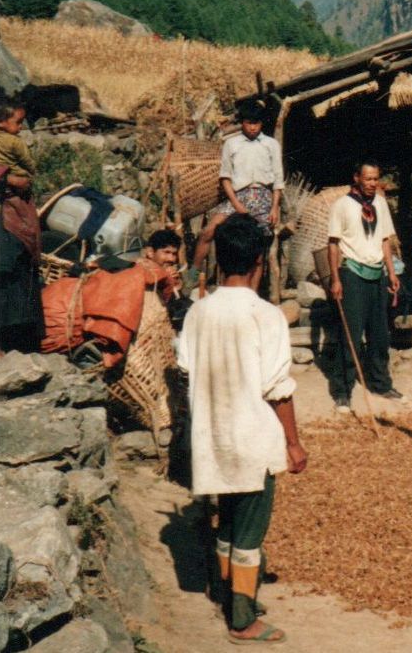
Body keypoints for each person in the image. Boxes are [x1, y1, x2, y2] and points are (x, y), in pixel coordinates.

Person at [177, 213, 307, 645]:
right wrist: (293, 443)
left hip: (213, 436)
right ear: (260, 261)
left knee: (227, 522)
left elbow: (184, 369)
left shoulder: (198, 313)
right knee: (249, 533)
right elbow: (278, 390)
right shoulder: (266, 315)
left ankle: (226, 591)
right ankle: (242, 619)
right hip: (252, 438)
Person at [326, 160, 402, 412]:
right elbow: (333, 243)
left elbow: (384, 240)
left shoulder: (380, 203)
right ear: (357, 177)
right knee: (351, 334)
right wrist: (335, 278)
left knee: (380, 333)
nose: (372, 184)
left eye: (376, 179)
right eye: (368, 179)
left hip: (376, 273)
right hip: (352, 272)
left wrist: (391, 273)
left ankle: (380, 383)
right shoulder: (342, 205)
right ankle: (342, 390)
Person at [192, 97, 284, 274]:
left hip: (263, 197)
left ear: (261, 123)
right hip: (238, 196)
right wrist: (236, 204)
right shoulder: (231, 144)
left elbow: (278, 180)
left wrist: (274, 208)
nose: (252, 127)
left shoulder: (271, 144)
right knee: (208, 231)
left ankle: (252, 294)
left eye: (256, 123)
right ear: (242, 123)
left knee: (258, 248)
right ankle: (193, 273)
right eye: (249, 123)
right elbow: (225, 178)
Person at [0, 98, 44, 355]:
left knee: (20, 275)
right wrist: (8, 178)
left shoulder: (8, 142)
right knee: (0, 275)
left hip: (14, 215)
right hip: (2, 216)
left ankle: (21, 343)